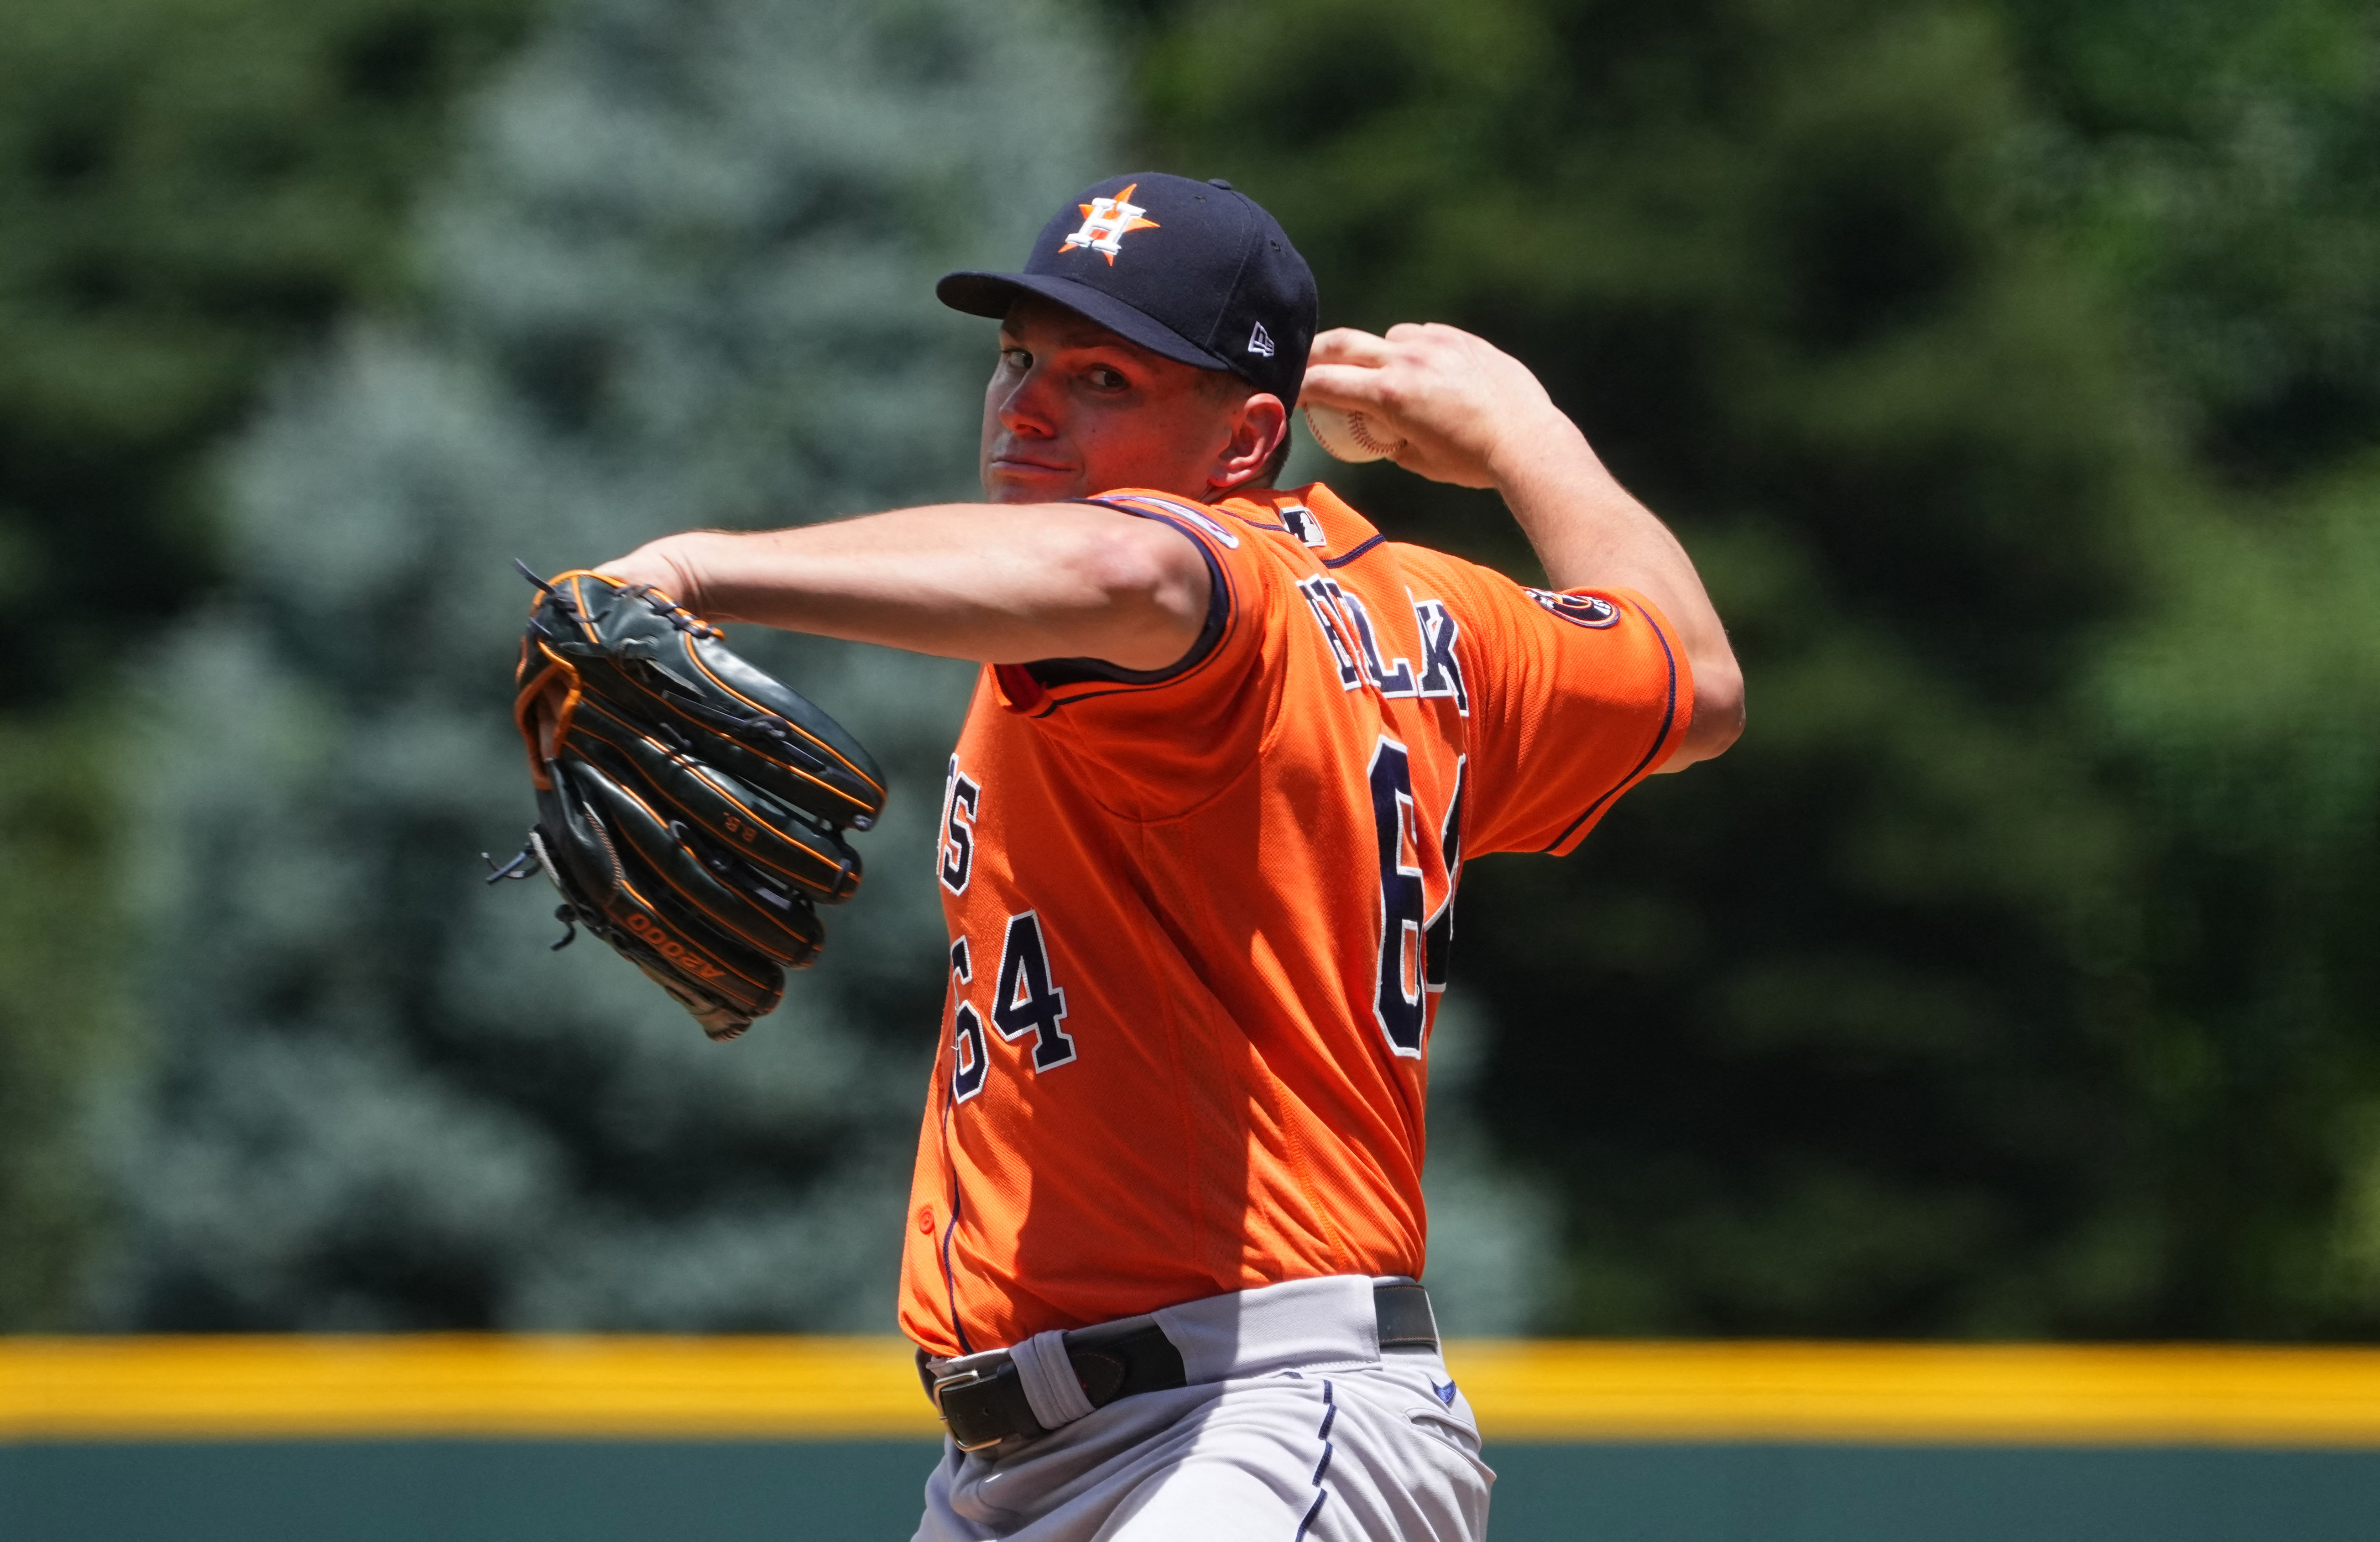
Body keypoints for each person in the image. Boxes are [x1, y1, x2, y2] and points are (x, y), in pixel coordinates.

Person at [593, 173, 1742, 1541]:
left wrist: (691, 570)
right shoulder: (1438, 624)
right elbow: (1693, 678)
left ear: (1247, 438)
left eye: (1101, 378)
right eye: (1018, 356)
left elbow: (1128, 576)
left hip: (1251, 1420)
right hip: (1036, 1461)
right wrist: (1523, 436)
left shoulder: (1203, 588)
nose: (1026, 406)